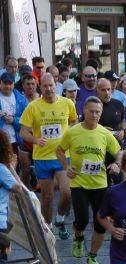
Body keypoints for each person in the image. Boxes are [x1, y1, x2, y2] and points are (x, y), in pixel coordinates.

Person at [56, 97, 122, 264]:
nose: (94, 115)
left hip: (100, 184)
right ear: (84, 111)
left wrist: (117, 164)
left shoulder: (105, 133)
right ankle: (78, 238)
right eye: (91, 111)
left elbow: (119, 153)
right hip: (79, 183)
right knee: (82, 220)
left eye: (98, 112)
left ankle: (92, 256)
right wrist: (67, 167)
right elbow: (60, 150)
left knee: (101, 223)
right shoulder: (73, 132)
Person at [19, 73, 77, 236]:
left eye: (51, 85)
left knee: (67, 193)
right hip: (42, 158)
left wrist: (70, 136)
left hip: (62, 156)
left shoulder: (67, 103)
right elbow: (23, 132)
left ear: (55, 84)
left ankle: (59, 217)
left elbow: (74, 121)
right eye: (44, 86)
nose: (48, 89)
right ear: (40, 87)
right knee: (47, 197)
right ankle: (48, 227)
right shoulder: (33, 107)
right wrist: (36, 140)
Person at [96, 78, 125, 148]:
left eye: (108, 89)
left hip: (116, 145)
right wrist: (100, 130)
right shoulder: (92, 105)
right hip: (99, 145)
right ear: (97, 91)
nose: (107, 93)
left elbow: (123, 121)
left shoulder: (118, 104)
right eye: (103, 90)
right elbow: (85, 126)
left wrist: (122, 131)